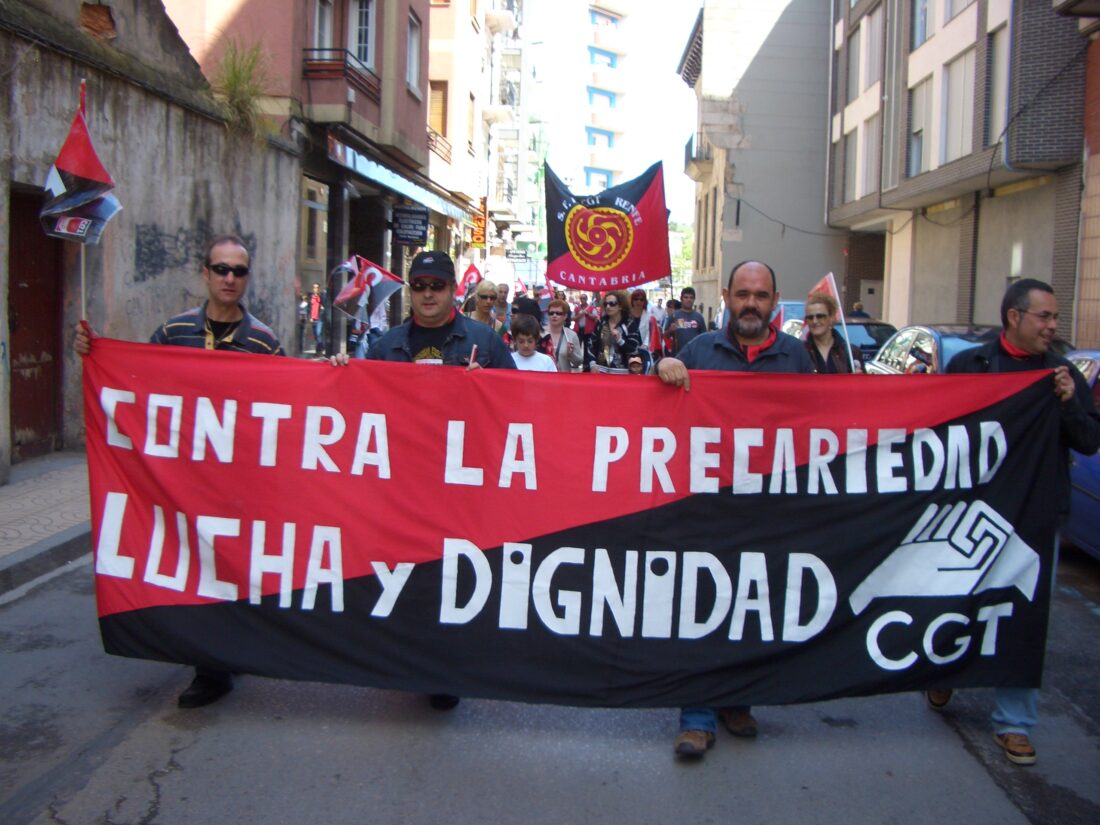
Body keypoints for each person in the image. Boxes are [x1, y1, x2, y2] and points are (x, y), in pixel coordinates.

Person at [74, 233, 284, 709]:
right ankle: (209, 669)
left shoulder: (264, 341)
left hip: (238, 484)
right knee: (193, 569)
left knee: (234, 570)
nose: (230, 278)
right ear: (206, 274)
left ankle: (229, 654)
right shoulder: (172, 333)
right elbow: (136, 386)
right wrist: (93, 352)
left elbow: (288, 408)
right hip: (182, 483)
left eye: (239, 271)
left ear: (247, 278)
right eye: (222, 269)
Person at [928, 278, 1100, 766]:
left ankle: (1014, 722)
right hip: (974, 510)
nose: (1052, 326)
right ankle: (945, 675)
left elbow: (1088, 441)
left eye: (1054, 318)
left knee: (1021, 616)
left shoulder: (1062, 374)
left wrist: (1068, 403)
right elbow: (941, 431)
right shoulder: (971, 366)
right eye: (1043, 317)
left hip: (1035, 516)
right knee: (961, 599)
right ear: (1014, 318)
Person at [657, 260, 814, 759]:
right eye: (742, 294)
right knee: (701, 609)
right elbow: (653, 410)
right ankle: (697, 718)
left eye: (760, 295)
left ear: (775, 300)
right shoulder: (699, 350)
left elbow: (821, 422)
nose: (751, 303)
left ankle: (738, 702)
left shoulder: (796, 358)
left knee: (753, 609)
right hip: (707, 510)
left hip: (768, 511)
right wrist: (661, 369)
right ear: (726, 296)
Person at [803, 291, 862, 373]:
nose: (815, 321)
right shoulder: (800, 350)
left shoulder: (851, 351)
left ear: (831, 318)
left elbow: (864, 384)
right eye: (810, 317)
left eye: (820, 316)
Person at [585, 289, 640, 372]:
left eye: (612, 304)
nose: (608, 307)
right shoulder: (601, 323)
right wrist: (592, 364)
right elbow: (591, 344)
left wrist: (620, 340)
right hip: (601, 371)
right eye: (606, 304)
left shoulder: (630, 324)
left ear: (621, 306)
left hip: (623, 372)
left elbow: (635, 350)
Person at [626, 289, 662, 371]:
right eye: (636, 299)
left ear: (645, 301)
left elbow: (651, 335)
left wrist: (644, 347)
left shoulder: (650, 317)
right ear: (632, 300)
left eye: (641, 299)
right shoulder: (626, 316)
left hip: (643, 351)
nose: (638, 301)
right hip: (627, 349)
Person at [543, 298, 583, 372]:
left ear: (565, 316)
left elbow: (578, 362)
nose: (554, 315)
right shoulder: (540, 333)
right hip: (542, 378)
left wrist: (571, 354)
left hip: (563, 379)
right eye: (551, 313)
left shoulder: (571, 335)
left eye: (558, 313)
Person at [665, 286, 706, 356]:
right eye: (686, 297)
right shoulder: (674, 315)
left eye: (691, 297)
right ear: (681, 299)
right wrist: (670, 330)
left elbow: (704, 338)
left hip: (695, 355)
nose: (688, 300)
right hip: (678, 355)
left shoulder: (699, 317)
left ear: (694, 299)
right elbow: (666, 336)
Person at [309, 282, 325, 354]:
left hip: (319, 318)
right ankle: (319, 347)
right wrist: (310, 317)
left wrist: (322, 307)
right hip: (313, 318)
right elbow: (309, 308)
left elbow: (324, 304)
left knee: (318, 333)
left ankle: (319, 350)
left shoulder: (321, 297)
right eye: (314, 287)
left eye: (317, 288)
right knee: (315, 335)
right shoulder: (310, 297)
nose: (315, 289)